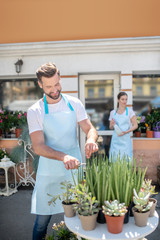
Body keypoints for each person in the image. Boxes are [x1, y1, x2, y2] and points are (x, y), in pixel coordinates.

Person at [27, 63, 98, 240]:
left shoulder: (74, 104)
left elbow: (90, 129)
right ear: (40, 84)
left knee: (78, 220)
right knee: (42, 221)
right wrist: (63, 156)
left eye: (56, 84)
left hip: (73, 172)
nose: (54, 89)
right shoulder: (35, 111)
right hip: (49, 173)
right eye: (49, 86)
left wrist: (90, 139)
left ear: (60, 79)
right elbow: (38, 146)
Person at [109, 92, 138, 161]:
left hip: (125, 141)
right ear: (118, 100)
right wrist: (112, 124)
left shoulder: (130, 112)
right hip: (116, 140)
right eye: (122, 99)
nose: (124, 101)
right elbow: (110, 127)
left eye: (126, 99)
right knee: (115, 160)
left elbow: (135, 125)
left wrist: (126, 132)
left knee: (126, 161)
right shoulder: (113, 112)